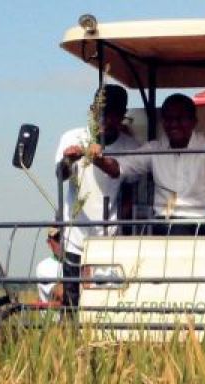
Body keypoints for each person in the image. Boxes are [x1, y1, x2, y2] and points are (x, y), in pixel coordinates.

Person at [108, 93, 205, 234]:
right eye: (168, 119)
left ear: (193, 121)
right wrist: (96, 158)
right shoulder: (154, 149)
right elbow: (119, 168)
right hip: (165, 222)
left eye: (180, 119)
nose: (173, 124)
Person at [55, 84, 141, 303]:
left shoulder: (130, 146)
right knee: (72, 302)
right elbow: (60, 174)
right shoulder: (72, 137)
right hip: (75, 236)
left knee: (106, 300)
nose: (104, 118)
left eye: (111, 113)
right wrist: (69, 160)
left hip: (109, 238)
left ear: (122, 115)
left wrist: (97, 159)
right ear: (92, 110)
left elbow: (119, 175)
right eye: (99, 111)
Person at [33, 227, 65, 305]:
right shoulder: (44, 267)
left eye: (66, 238)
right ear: (49, 243)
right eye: (58, 239)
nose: (63, 242)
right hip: (55, 317)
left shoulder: (82, 263)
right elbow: (62, 294)